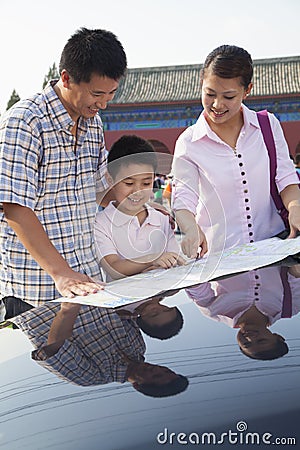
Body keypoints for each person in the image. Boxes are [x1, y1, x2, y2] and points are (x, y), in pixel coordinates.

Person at [0, 28, 127, 318]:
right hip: (36, 291)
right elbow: (15, 207)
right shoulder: (25, 122)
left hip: (88, 284)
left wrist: (138, 198)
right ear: (66, 78)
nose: (104, 104)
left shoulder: (93, 123)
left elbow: (100, 191)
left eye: (111, 94)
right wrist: (61, 273)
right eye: (97, 94)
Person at [171, 45, 300, 259]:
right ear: (201, 84)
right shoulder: (189, 142)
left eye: (229, 97)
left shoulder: (268, 126)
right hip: (221, 263)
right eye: (209, 94)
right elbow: (184, 199)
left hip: (274, 258)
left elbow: (286, 179)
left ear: (247, 90)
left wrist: (295, 207)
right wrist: (190, 227)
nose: (217, 104)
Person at [10, 303, 189, 397]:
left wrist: (68, 309)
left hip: (34, 304)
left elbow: (53, 348)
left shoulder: (90, 377)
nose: (156, 369)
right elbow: (122, 312)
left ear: (139, 385)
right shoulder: (138, 347)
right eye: (164, 370)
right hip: (75, 283)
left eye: (156, 376)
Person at [94, 135, 185, 282]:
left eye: (146, 183)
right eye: (129, 183)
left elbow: (175, 261)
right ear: (110, 179)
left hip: (161, 299)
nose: (138, 191)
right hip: (124, 304)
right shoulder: (101, 223)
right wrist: (152, 260)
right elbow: (114, 268)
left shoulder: (161, 219)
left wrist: (158, 266)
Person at [186, 264, 300, 360]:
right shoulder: (291, 306)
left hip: (225, 242)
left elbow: (195, 281)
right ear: (278, 337)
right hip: (271, 239)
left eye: (246, 344)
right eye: (261, 340)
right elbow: (296, 272)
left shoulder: (214, 311)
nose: (250, 338)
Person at [116, 291, 184, 340]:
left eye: (154, 314)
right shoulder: (164, 289)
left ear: (142, 319)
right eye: (166, 309)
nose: (158, 308)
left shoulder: (120, 308)